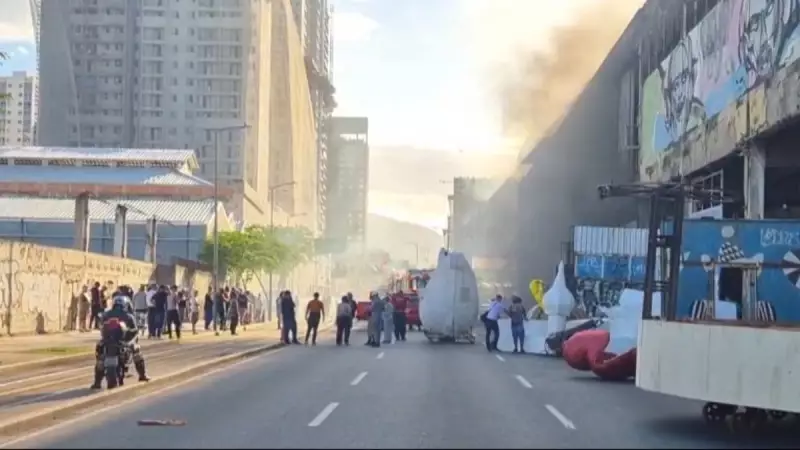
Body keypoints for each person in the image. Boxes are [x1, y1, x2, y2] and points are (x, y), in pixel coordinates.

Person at [90, 295, 150, 389]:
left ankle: (97, 382)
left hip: (108, 341)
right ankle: (142, 375)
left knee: (100, 358)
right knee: (137, 352)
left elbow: (101, 326)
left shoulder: (106, 314)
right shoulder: (129, 316)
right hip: (122, 341)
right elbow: (134, 330)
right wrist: (131, 336)